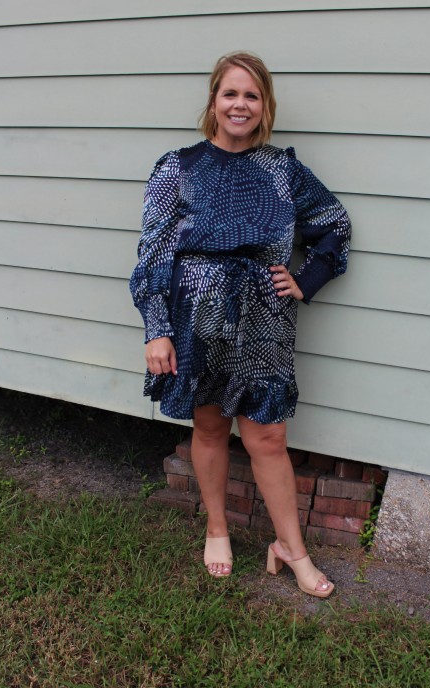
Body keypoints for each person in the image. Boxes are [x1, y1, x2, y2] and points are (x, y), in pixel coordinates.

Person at [130, 51, 351, 598]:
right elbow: (152, 256)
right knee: (208, 429)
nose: (240, 104)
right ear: (213, 101)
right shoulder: (176, 167)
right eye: (231, 93)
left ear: (265, 107)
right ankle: (218, 528)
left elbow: (334, 225)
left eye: (251, 96)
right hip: (196, 321)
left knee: (268, 436)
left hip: (264, 322)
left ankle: (290, 549)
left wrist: (307, 279)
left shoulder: (284, 170)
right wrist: (157, 328)